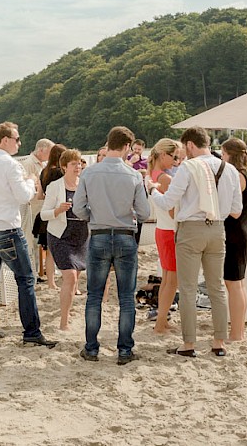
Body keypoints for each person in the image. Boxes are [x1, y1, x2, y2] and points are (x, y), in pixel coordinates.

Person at [149, 127, 242, 357]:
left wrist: (151, 190)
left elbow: (168, 201)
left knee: (189, 289)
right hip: (217, 229)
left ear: (190, 145)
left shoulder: (188, 168)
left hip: (190, 230)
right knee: (217, 288)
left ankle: (189, 344)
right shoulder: (228, 169)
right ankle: (219, 342)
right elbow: (236, 210)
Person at [0, 122, 56, 348]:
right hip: (7, 227)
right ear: (5, 140)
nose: (20, 143)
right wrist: (31, 181)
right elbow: (24, 196)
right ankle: (32, 332)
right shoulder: (12, 165)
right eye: (16, 139)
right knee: (26, 279)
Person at [72, 126, 150, 365]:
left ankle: (91, 348)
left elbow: (77, 208)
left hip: (99, 234)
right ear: (127, 147)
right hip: (125, 235)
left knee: (94, 296)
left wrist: (92, 216)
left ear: (108, 143)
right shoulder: (133, 175)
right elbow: (145, 212)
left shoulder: (90, 173)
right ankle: (124, 350)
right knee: (126, 297)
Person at [39, 149, 88, 331]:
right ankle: (64, 322)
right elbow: (43, 214)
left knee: (75, 278)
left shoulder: (84, 184)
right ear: (64, 166)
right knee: (70, 276)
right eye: (74, 164)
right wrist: (58, 210)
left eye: (79, 163)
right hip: (60, 235)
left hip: (82, 235)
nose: (78, 167)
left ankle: (67, 307)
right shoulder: (55, 186)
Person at [220, 138, 247, 342]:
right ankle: (238, 332)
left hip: (234, 233)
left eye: (223, 154)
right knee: (238, 284)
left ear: (230, 154)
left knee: (233, 284)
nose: (222, 158)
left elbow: (233, 210)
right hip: (243, 231)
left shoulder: (236, 175)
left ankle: (236, 334)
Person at [145, 138, 180, 335]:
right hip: (169, 231)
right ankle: (160, 323)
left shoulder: (152, 174)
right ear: (163, 155)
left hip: (162, 229)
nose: (176, 161)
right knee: (170, 280)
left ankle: (162, 320)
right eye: (174, 157)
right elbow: (174, 211)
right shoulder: (165, 179)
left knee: (167, 278)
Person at [35, 143, 67, 288]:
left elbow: (40, 196)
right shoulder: (60, 173)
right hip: (59, 213)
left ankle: (51, 282)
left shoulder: (44, 172)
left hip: (45, 215)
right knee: (63, 248)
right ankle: (63, 279)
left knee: (49, 251)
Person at [22, 138, 53, 279]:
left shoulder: (45, 163)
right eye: (50, 151)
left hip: (43, 207)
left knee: (43, 241)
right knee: (33, 241)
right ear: (41, 150)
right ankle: (35, 271)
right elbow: (25, 184)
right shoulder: (28, 163)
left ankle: (43, 268)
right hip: (33, 208)